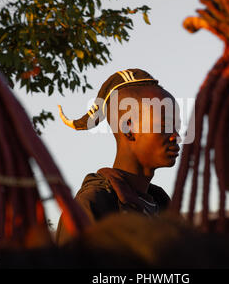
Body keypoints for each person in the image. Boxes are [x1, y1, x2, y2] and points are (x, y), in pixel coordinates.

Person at [56, 69, 181, 245]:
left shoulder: (164, 206)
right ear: (129, 129)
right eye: (166, 125)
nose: (176, 136)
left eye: (176, 126)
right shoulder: (93, 204)